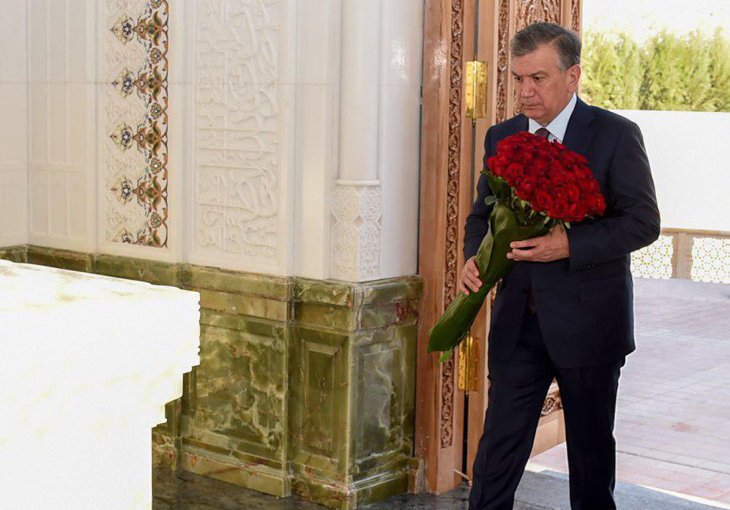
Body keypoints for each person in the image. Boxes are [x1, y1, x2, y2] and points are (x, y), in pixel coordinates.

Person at [461, 22, 660, 510]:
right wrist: (473, 258)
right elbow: (482, 215)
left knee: (591, 459)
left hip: (591, 323)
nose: (525, 91)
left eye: (538, 78)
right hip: (517, 326)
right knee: (496, 454)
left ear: (572, 76)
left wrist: (568, 244)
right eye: (518, 78)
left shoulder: (615, 135)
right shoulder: (501, 136)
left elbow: (643, 222)